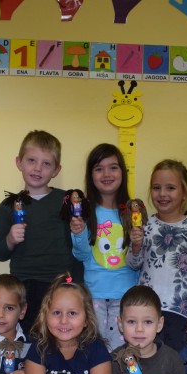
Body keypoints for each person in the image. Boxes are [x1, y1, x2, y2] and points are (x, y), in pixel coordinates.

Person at [0, 130, 83, 332]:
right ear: (19, 162)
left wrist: (77, 284)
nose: (38, 168)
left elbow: (78, 247)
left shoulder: (66, 201)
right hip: (23, 286)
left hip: (61, 284)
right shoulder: (8, 205)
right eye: (31, 160)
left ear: (56, 170)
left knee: (61, 336)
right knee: (27, 340)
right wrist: (10, 239)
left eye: (46, 163)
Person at [127, 160, 187, 351]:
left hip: (179, 311)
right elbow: (133, 264)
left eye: (170, 188)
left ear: (184, 193)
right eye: (156, 188)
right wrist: (136, 246)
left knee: (171, 360)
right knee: (144, 357)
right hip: (145, 309)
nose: (162, 194)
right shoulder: (145, 225)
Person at [70, 144, 138, 350]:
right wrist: (79, 233)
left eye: (113, 168)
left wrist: (138, 243)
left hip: (126, 294)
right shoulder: (84, 211)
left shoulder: (133, 211)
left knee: (121, 353)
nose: (106, 174)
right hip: (94, 294)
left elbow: (138, 259)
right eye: (99, 169)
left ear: (122, 172)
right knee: (94, 350)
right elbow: (81, 255)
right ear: (90, 175)